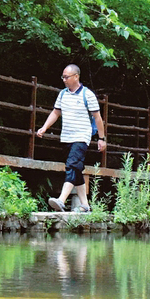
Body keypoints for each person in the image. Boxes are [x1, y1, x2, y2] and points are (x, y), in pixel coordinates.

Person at [36, 64, 106, 212]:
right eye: (63, 77)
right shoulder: (62, 94)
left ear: (76, 77)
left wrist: (101, 138)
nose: (64, 80)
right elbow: (56, 112)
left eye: (66, 77)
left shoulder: (87, 95)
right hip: (66, 137)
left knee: (72, 166)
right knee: (77, 169)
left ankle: (61, 200)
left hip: (81, 136)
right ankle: (85, 206)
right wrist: (44, 127)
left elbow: (98, 118)